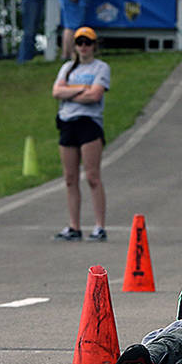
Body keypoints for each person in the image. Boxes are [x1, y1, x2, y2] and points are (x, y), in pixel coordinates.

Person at [51, 26, 109, 241]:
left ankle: (99, 225)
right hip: (67, 122)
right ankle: (74, 226)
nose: (83, 47)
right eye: (80, 43)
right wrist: (80, 90)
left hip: (89, 123)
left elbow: (94, 96)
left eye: (87, 43)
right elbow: (57, 92)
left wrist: (71, 93)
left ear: (94, 45)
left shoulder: (101, 68)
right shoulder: (67, 68)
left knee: (92, 176)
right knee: (70, 178)